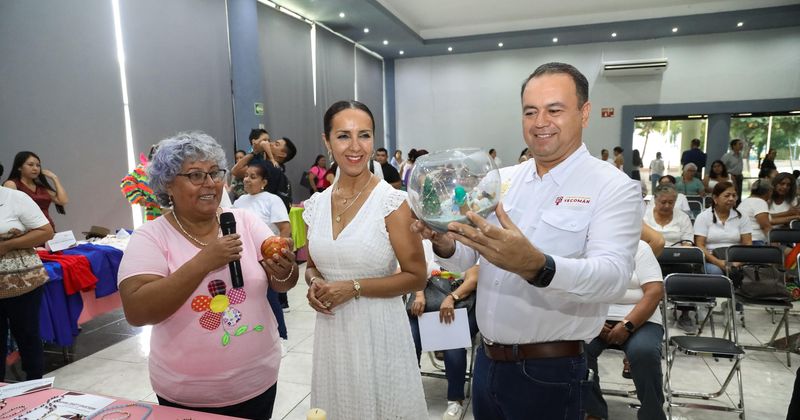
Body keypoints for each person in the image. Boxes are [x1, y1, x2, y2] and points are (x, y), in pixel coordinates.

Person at [413, 62, 642, 419]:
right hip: (487, 361)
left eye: (554, 110)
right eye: (530, 111)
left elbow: (612, 278)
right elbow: (470, 257)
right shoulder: (500, 180)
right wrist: (444, 243)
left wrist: (538, 267)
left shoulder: (612, 187)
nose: (540, 122)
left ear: (584, 113)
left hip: (550, 371)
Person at [117, 132, 298, 419]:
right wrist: (203, 262)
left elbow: (283, 282)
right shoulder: (150, 237)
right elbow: (137, 311)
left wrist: (286, 270)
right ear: (168, 184)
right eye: (195, 175)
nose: (210, 183)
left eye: (214, 173)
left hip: (258, 381)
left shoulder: (243, 220)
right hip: (187, 394)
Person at [303, 100, 428, 419]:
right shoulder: (316, 205)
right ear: (327, 141)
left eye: (365, 135)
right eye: (343, 136)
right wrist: (314, 282)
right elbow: (314, 266)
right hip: (333, 335)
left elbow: (416, 276)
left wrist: (354, 287)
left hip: (379, 334)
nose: (355, 146)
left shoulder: (392, 203)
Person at [584, 240, 666, 420]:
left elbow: (654, 291)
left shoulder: (640, 248)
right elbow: (576, 288)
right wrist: (592, 321)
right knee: (578, 349)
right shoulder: (586, 246)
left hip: (641, 318)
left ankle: (652, 414)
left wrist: (628, 325)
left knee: (644, 351)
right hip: (595, 317)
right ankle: (594, 411)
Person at [0, 163, 54, 382]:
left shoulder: (14, 198)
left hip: (21, 280)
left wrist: (7, 245)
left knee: (27, 334)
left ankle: (34, 385)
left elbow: (46, 231)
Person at [408, 264, 479, 420]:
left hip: (460, 305)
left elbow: (474, 279)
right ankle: (410, 393)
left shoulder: (471, 252)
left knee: (453, 344)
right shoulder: (427, 249)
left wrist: (451, 298)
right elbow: (415, 272)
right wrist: (419, 295)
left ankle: (455, 400)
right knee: (409, 341)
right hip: (426, 304)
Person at [694, 181, 752, 276]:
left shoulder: (742, 216)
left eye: (734, 195)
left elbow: (747, 243)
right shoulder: (703, 217)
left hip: (736, 259)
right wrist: (719, 263)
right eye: (727, 196)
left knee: (739, 272)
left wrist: (739, 262)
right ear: (715, 198)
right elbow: (700, 245)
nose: (731, 199)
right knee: (716, 271)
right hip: (711, 259)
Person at [232, 129, 297, 212]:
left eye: (276, 144)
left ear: (282, 154)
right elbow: (235, 171)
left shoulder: (268, 167)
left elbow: (235, 171)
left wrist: (255, 152)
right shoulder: (264, 164)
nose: (270, 143)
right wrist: (254, 152)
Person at [4, 151, 68, 229]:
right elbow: (9, 212)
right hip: (27, 231)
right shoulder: (11, 184)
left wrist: (55, 178)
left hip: (48, 229)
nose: (35, 168)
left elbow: (62, 201)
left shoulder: (41, 187)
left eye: (38, 165)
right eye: (30, 165)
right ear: (19, 167)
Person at [737, 180, 773, 246]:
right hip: (756, 241)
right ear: (768, 192)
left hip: (745, 241)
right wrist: (775, 246)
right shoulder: (760, 202)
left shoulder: (744, 202)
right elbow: (765, 226)